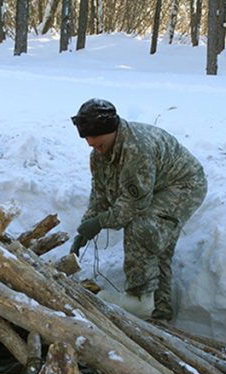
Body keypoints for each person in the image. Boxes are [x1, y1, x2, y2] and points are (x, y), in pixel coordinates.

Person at [69, 98, 207, 322]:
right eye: (90, 144)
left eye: (99, 144)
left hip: (183, 186)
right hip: (153, 187)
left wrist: (100, 222)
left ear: (111, 131)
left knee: (143, 229)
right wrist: (85, 227)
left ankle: (140, 299)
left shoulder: (137, 150)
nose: (94, 149)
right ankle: (159, 313)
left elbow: (133, 206)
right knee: (154, 244)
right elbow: (100, 193)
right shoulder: (99, 154)